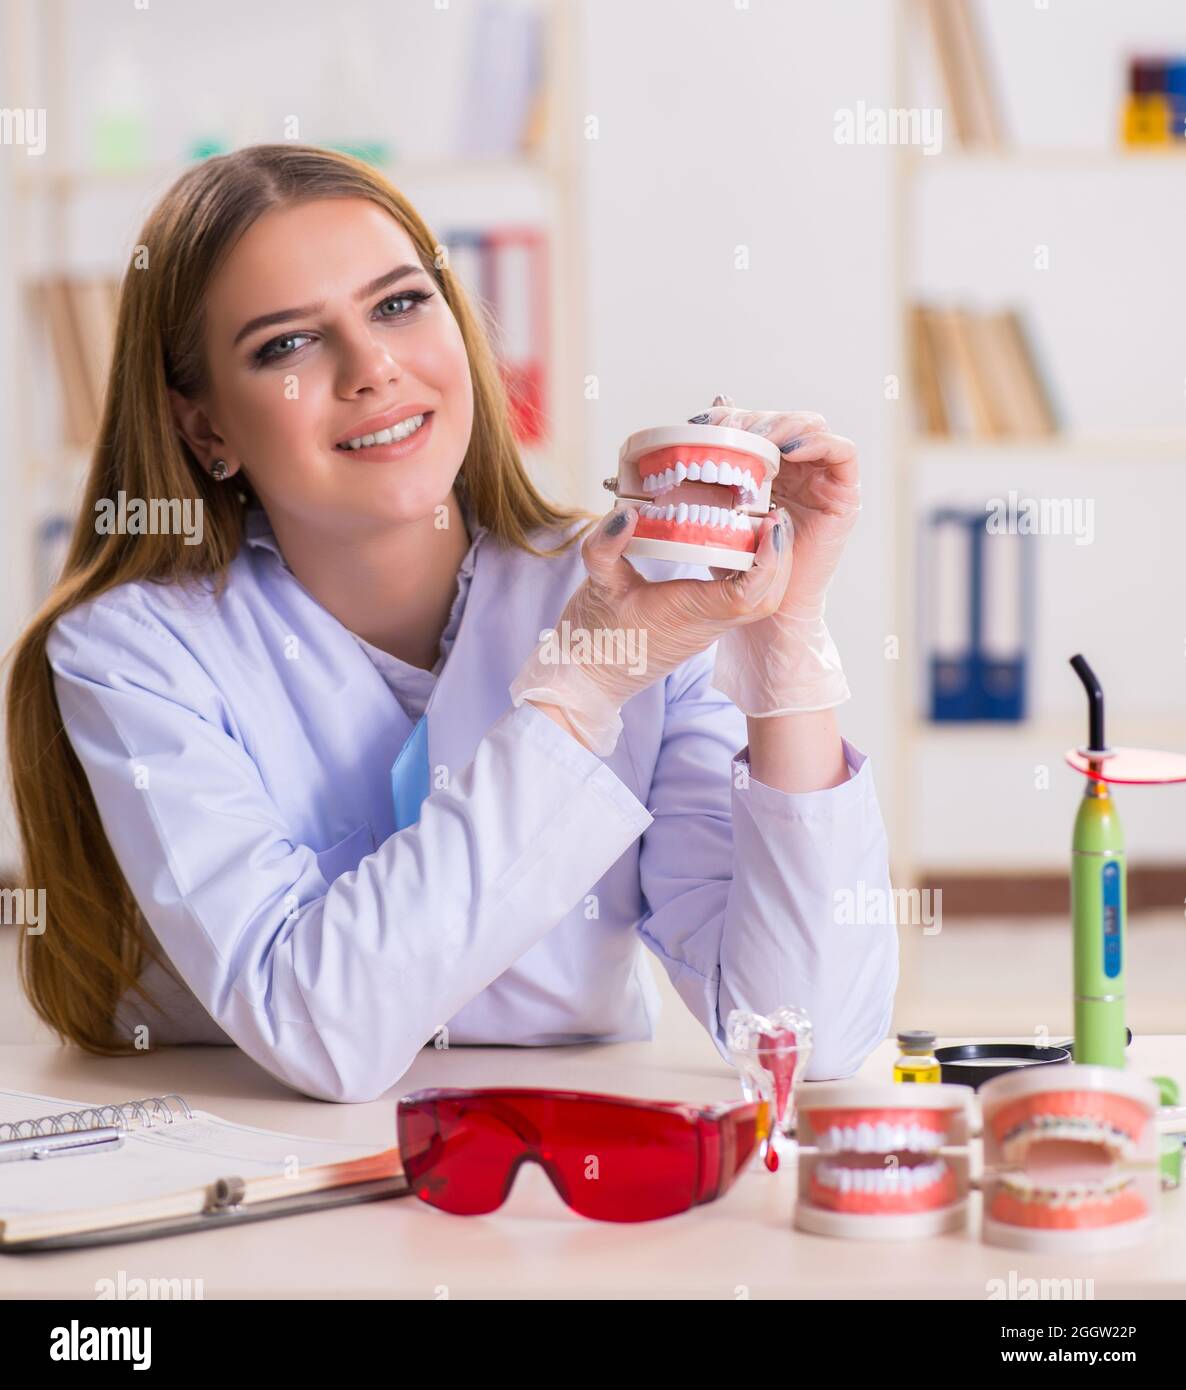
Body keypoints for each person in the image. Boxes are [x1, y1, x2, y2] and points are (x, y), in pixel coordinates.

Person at [5, 144, 897, 1103]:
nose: (373, 369)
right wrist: (584, 687)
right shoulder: (133, 650)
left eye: (398, 304)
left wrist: (781, 630)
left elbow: (812, 1033)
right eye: (286, 345)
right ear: (205, 428)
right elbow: (322, 1034)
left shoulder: (631, 599)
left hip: (541, 1181)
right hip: (268, 1165)